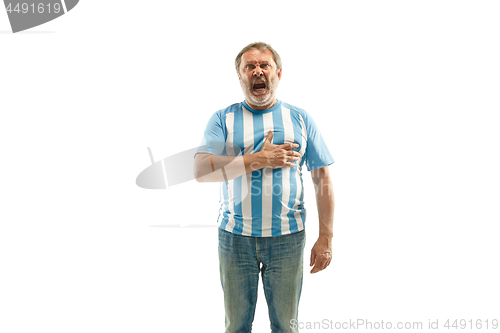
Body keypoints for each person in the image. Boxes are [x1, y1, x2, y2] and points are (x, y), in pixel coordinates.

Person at [194, 42, 335, 333]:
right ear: (241, 77)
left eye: (264, 65)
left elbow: (322, 179)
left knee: (286, 325)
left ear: (278, 74)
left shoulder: (300, 118)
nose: (257, 71)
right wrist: (258, 158)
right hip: (235, 238)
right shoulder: (223, 119)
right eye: (249, 67)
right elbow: (201, 171)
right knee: (236, 326)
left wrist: (326, 237)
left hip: (287, 238)